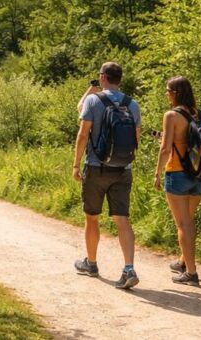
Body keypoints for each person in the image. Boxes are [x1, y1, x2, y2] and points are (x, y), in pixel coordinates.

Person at [72, 62, 142, 290]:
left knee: (91, 216)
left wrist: (75, 164)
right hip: (123, 169)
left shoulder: (93, 100)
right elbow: (136, 139)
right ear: (120, 79)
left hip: (96, 167)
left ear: (102, 77)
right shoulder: (132, 104)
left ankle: (91, 263)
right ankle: (129, 268)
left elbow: (83, 135)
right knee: (122, 219)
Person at [154, 76, 201, 286]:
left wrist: (157, 172)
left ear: (175, 93)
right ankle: (183, 262)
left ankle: (191, 273)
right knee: (189, 222)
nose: (166, 94)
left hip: (177, 173)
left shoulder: (171, 116)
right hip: (199, 175)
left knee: (183, 224)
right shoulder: (200, 114)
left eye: (168, 90)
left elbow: (166, 148)